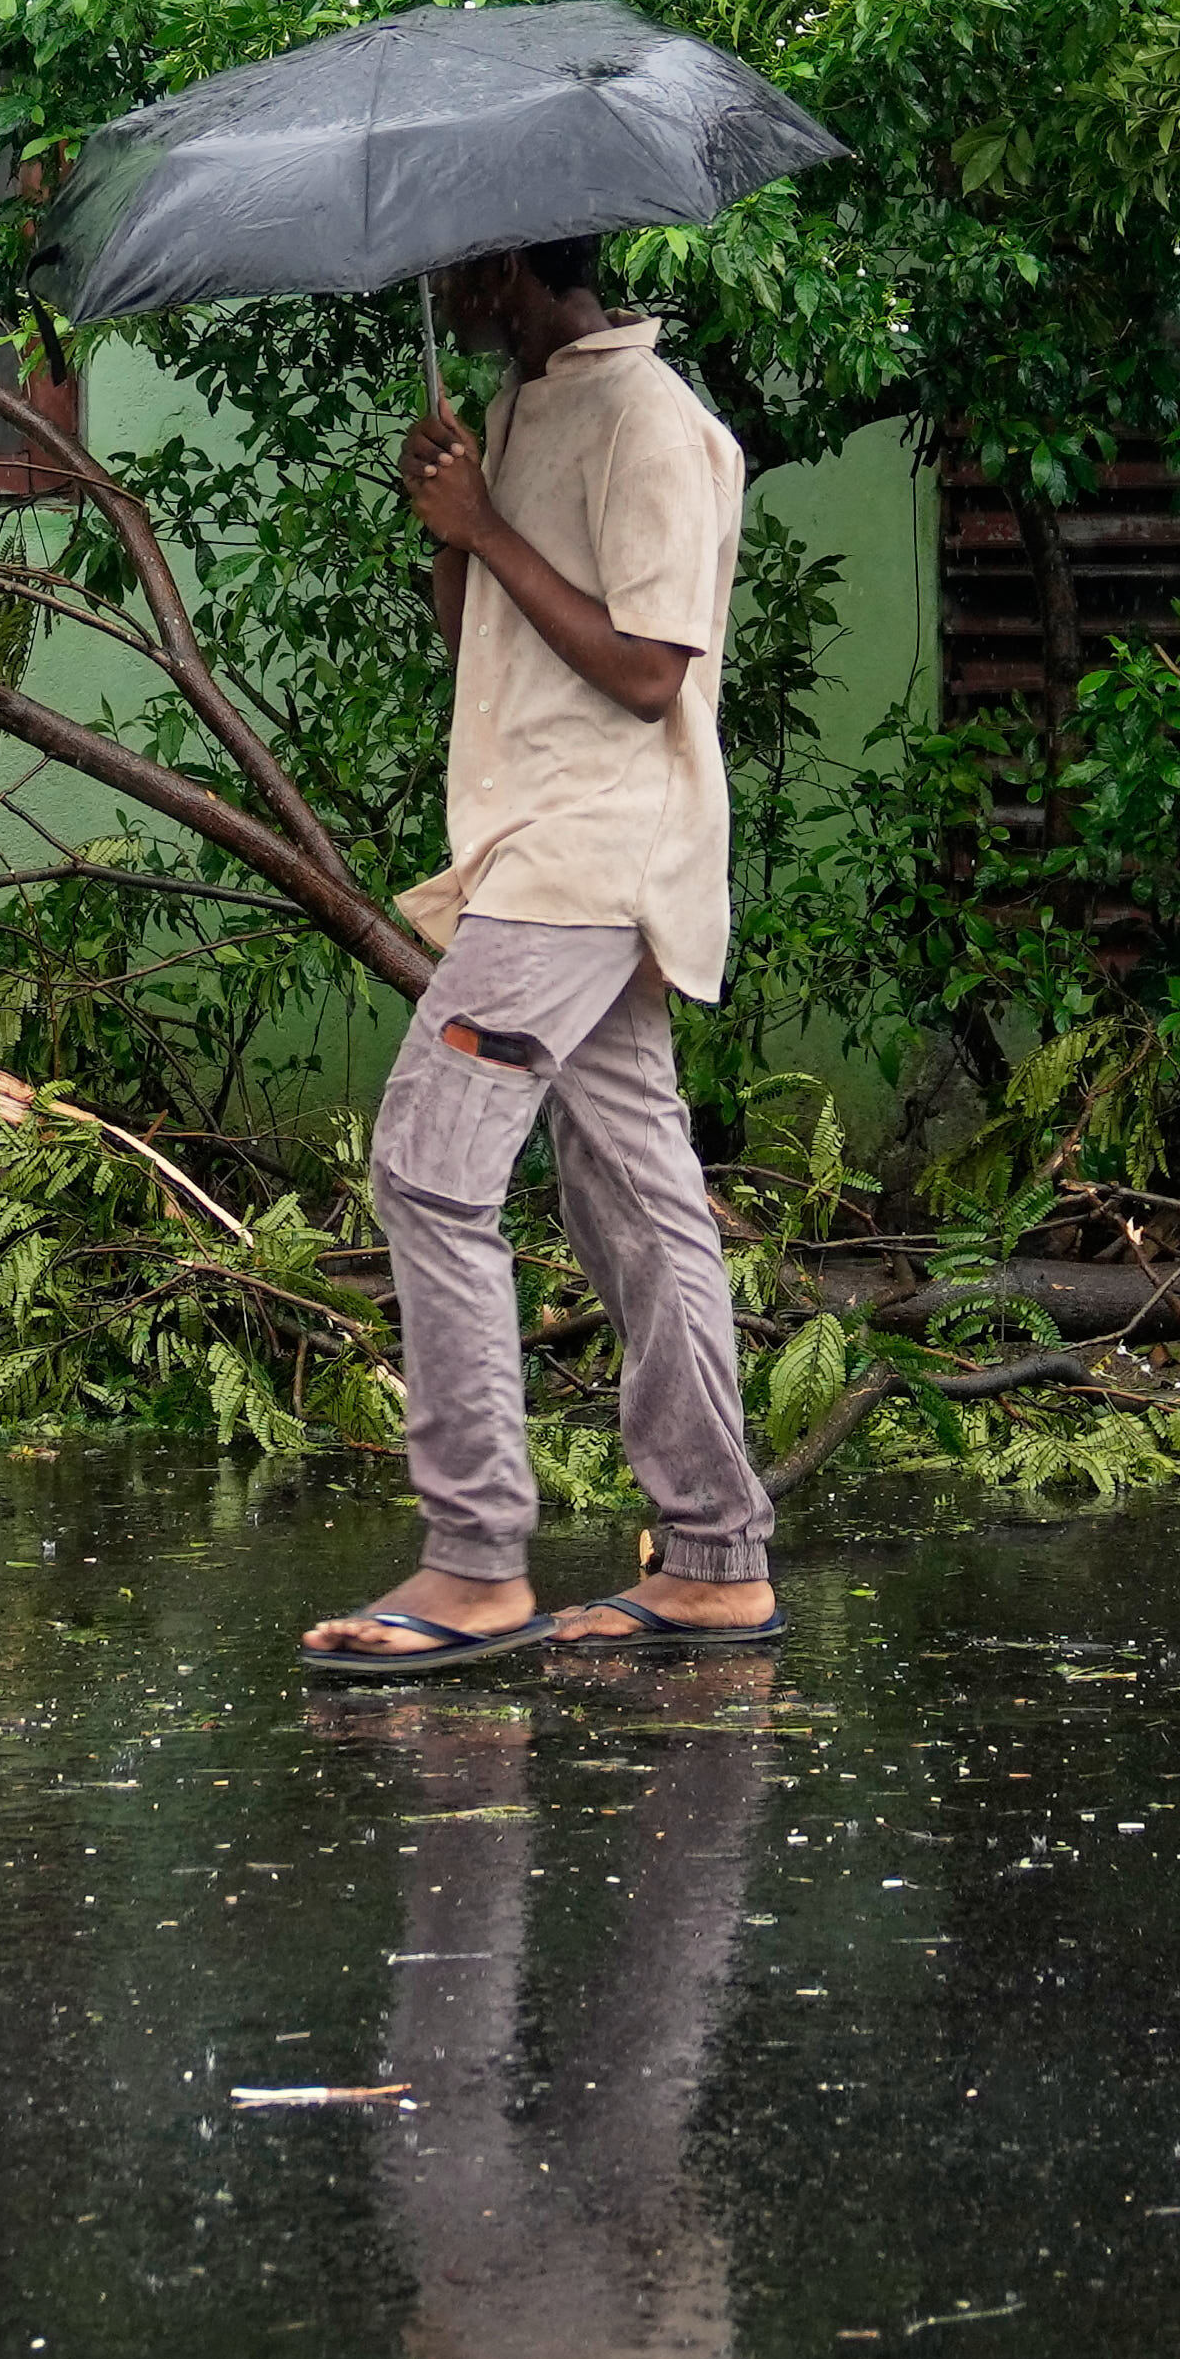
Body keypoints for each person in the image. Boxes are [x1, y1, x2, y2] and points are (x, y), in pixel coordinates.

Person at [302, 236, 778, 1674]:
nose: (441, 290)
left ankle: (474, 1560)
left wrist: (493, 526)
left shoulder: (653, 424)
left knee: (429, 1164)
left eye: (458, 269)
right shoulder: (523, 413)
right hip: (535, 854)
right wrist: (452, 522)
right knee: (634, 1197)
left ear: (512, 265)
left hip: (589, 863)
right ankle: (710, 1562)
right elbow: (480, 640)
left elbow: (648, 671)